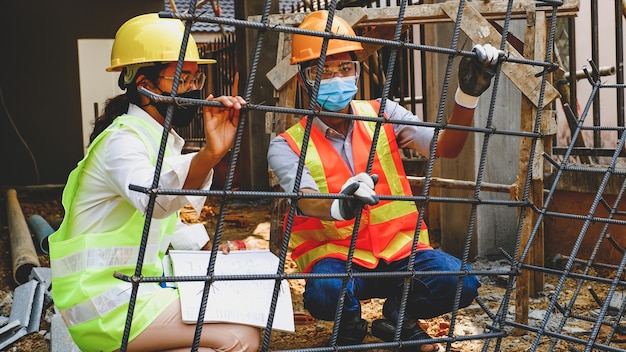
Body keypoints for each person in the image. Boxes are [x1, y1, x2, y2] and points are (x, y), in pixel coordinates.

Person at [267, 10, 502, 352]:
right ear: (305, 79)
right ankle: (349, 323)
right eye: (323, 71)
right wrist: (342, 203)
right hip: (338, 260)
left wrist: (467, 97)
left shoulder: (385, 113)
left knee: (461, 282)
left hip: (402, 251)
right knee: (323, 294)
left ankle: (398, 317)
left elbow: (446, 147)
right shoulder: (286, 143)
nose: (336, 78)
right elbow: (303, 198)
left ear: (357, 71)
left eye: (345, 68)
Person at [49, 13, 260, 352]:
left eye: (196, 77)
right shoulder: (121, 142)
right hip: (105, 303)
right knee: (239, 336)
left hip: (133, 291)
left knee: (222, 335)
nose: (193, 88)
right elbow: (156, 201)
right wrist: (209, 154)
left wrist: (210, 250)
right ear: (145, 85)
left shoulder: (158, 139)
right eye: (181, 78)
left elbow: (165, 222)